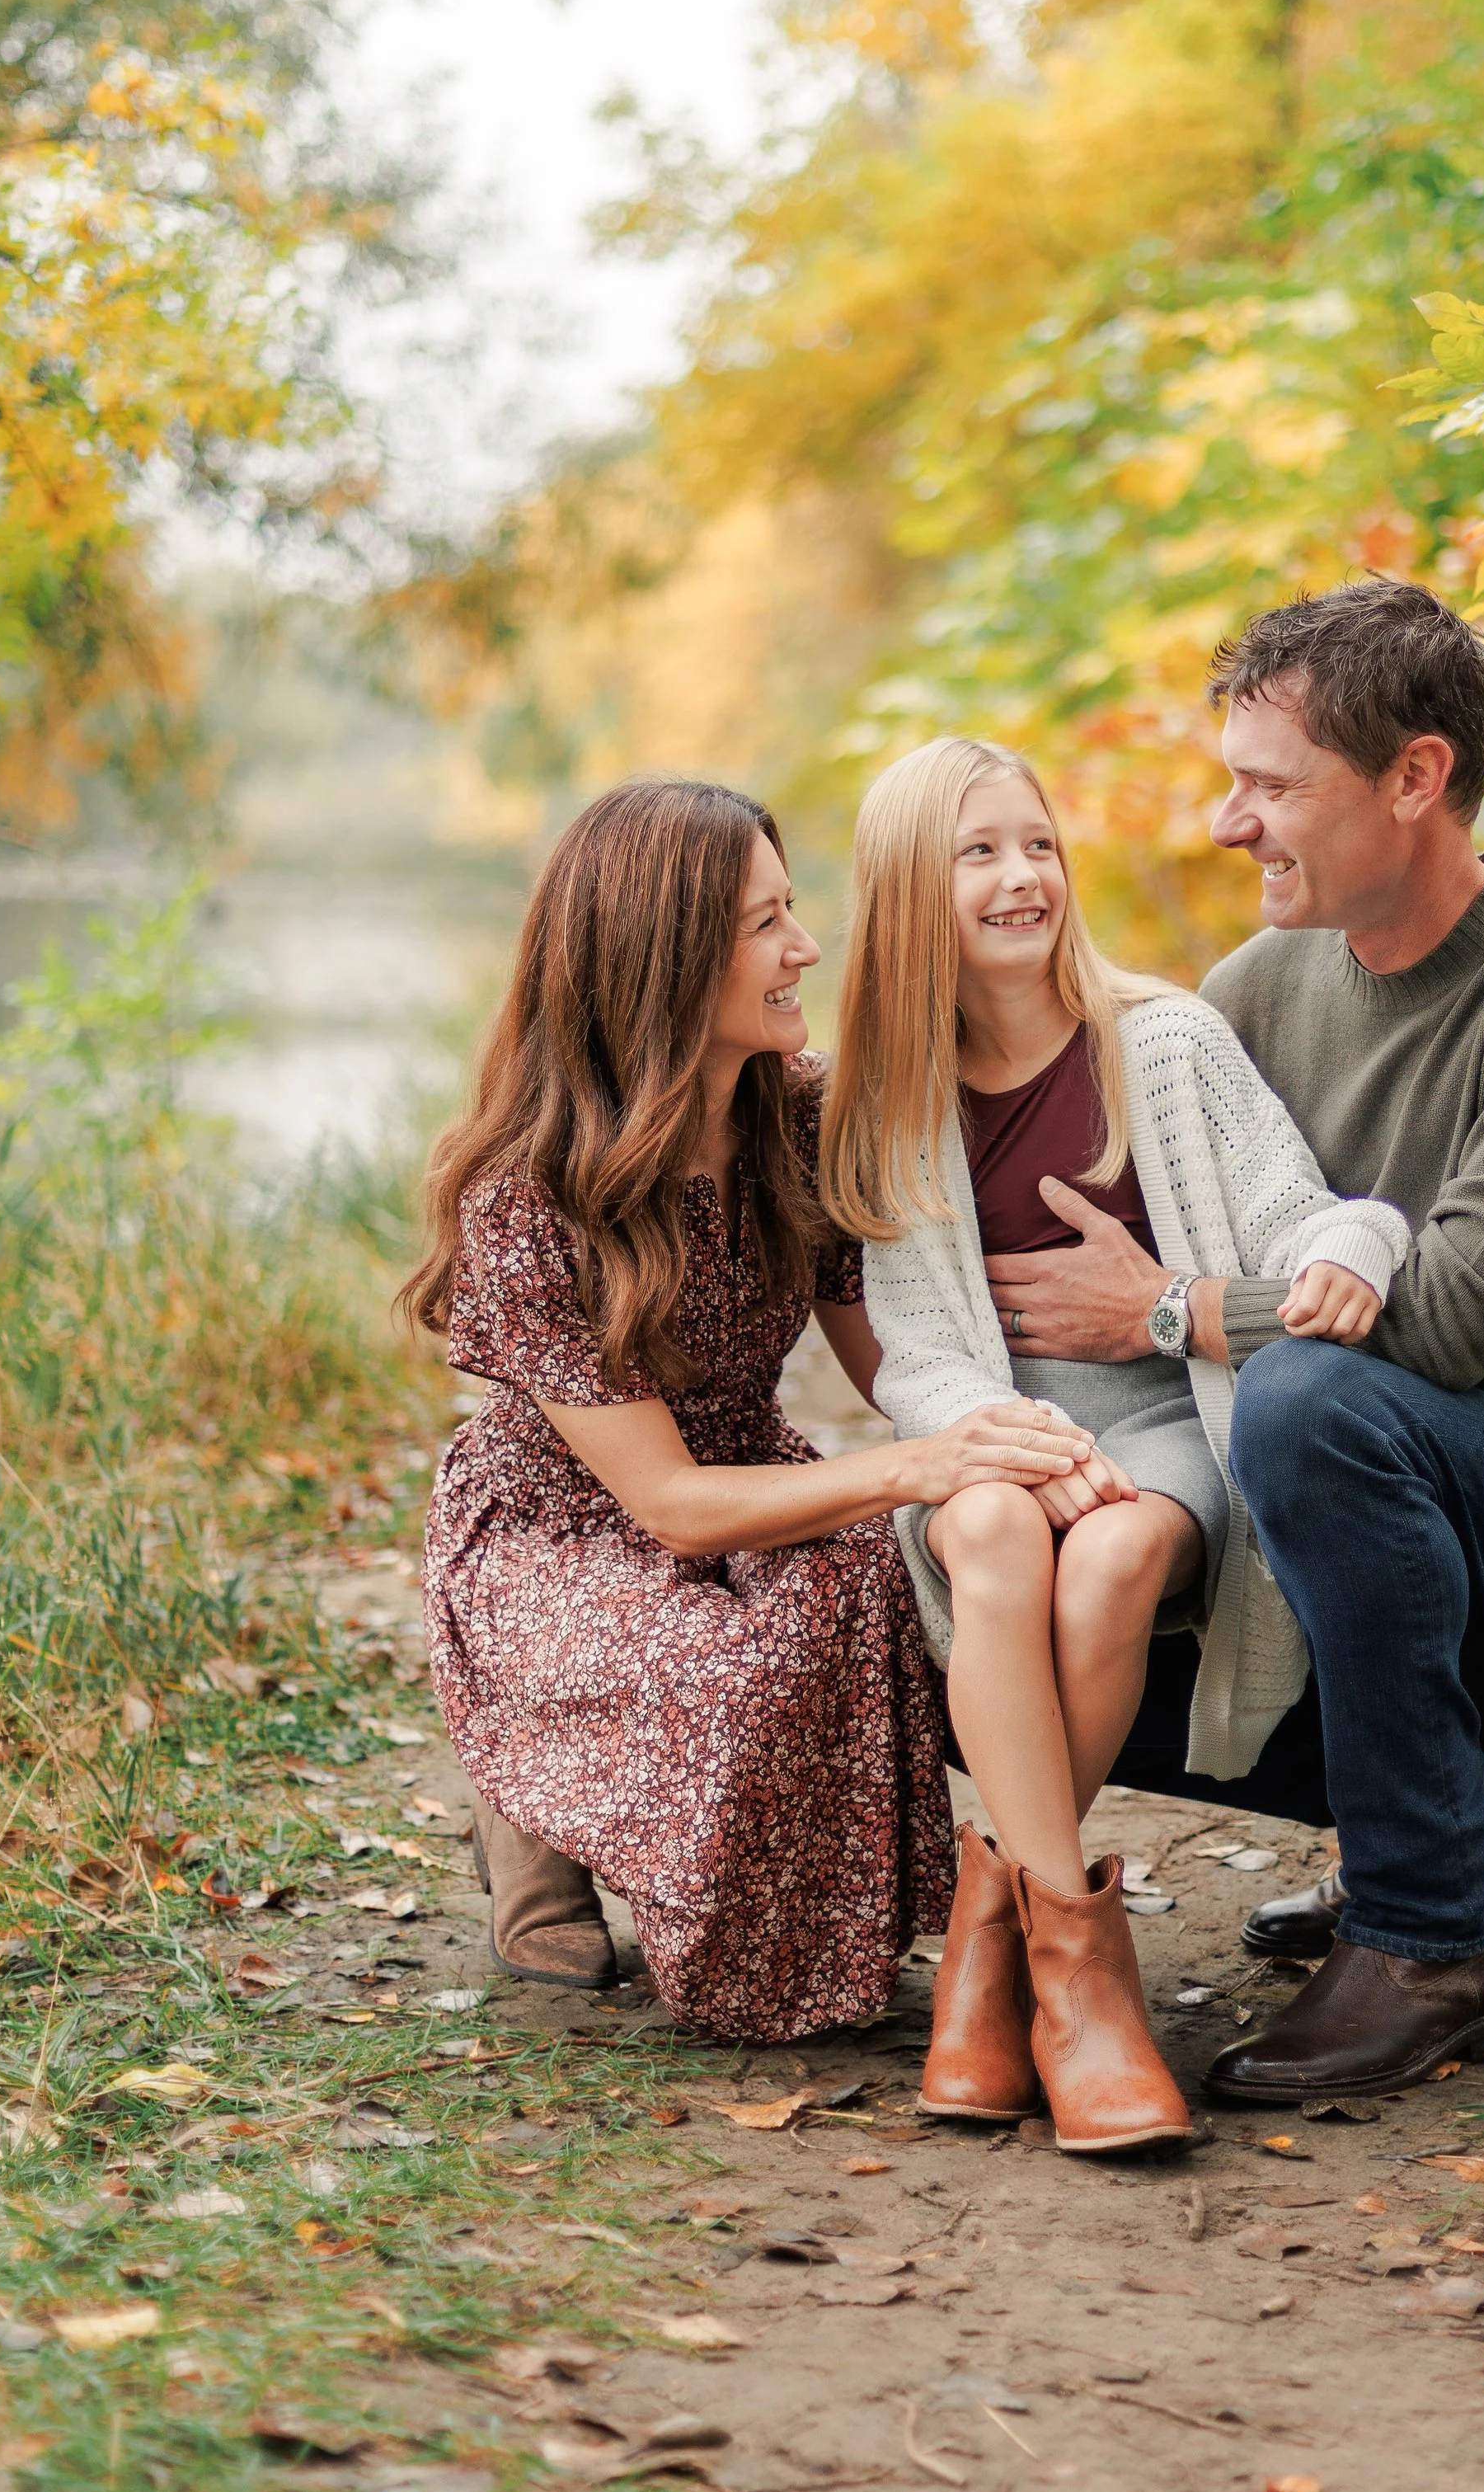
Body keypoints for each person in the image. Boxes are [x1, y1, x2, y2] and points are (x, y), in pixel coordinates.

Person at [976, 579, 1484, 2103]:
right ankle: (1461, 1798)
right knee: (1027, 1590)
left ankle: (1430, 1936)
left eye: (1270, 786)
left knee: (1314, 1398)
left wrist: (1177, 1309)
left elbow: (1446, 1316)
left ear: (1415, 777)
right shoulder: (1253, 991)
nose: (1226, 825)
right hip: (1361, 1530)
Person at [400, 776, 1103, 2043]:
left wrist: (1014, 1434)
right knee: (728, 1666)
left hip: (753, 1472)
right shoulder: (528, 1195)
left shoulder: (799, 1109)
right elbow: (667, 1506)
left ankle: (820, 1930)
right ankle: (528, 1796)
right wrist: (917, 1470)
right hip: (567, 1524)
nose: (805, 949)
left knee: (866, 1600)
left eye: (794, 910)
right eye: (765, 926)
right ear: (663, 961)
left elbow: (888, 1351)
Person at [820, 737, 1410, 2149]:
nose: (1023, 876)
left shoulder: (1164, 1041)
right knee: (1000, 1535)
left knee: (1122, 1551)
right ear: (912, 887)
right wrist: (1010, 1440)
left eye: (1039, 844)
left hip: (1165, 1414)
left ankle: (1003, 1942)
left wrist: (1358, 1252)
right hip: (989, 1421)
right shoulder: (888, 1090)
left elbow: (1301, 1208)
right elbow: (921, 1350)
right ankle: (1070, 1971)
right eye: (979, 853)